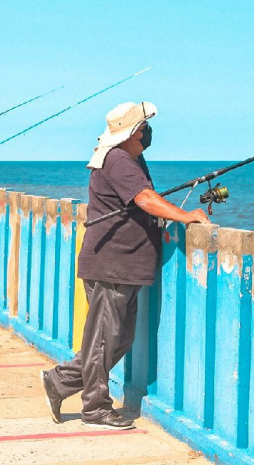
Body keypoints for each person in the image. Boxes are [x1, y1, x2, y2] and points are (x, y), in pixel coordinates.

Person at [40, 102, 210, 430]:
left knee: (118, 339)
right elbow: (145, 199)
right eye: (145, 127)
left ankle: (60, 381)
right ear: (133, 132)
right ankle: (95, 407)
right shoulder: (118, 159)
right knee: (105, 339)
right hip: (113, 265)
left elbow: (140, 200)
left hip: (125, 264)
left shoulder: (129, 158)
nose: (148, 133)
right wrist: (184, 215)